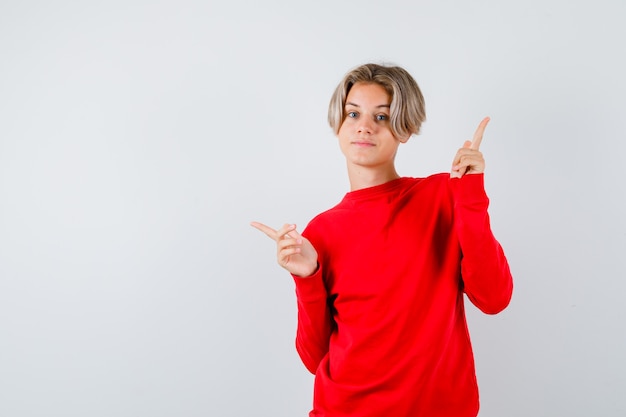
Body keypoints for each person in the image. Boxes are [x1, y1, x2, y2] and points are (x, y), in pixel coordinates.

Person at [251, 63, 513, 417]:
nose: (364, 126)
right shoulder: (321, 232)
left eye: (382, 117)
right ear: (339, 125)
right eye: (353, 113)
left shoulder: (443, 196)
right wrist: (306, 276)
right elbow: (315, 360)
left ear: (404, 129)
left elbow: (494, 297)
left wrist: (470, 197)